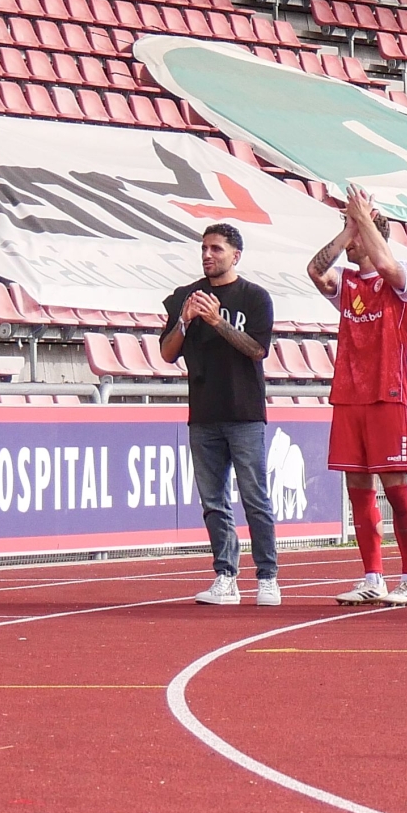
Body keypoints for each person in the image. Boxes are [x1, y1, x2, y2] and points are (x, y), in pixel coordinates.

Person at [308, 187, 407, 607]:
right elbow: (314, 270)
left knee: (396, 489)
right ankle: (373, 576)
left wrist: (364, 223)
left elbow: (387, 265)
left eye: (355, 233)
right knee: (358, 488)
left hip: (386, 395)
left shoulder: (404, 275)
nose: (349, 241)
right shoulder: (347, 282)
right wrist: (349, 228)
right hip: (349, 395)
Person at [163, 223, 279, 607]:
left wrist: (217, 322)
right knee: (213, 501)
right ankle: (226, 576)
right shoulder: (186, 296)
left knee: (254, 498)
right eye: (204, 248)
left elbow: (257, 350)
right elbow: (167, 353)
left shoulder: (254, 297)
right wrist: (185, 321)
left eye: (216, 249)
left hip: (244, 412)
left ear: (235, 255)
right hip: (203, 412)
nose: (207, 255)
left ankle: (267, 577)